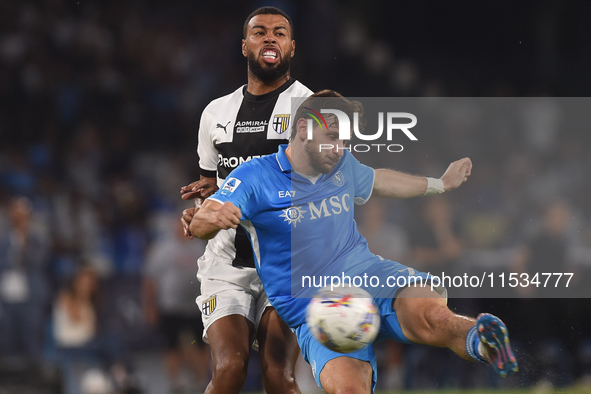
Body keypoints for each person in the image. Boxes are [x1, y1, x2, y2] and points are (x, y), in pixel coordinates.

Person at [189, 91, 519, 393]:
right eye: (332, 138)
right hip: (318, 309)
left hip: (371, 275)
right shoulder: (255, 176)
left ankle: (480, 338)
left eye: (345, 140)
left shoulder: (340, 164)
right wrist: (212, 219)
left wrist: (440, 183)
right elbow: (208, 215)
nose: (341, 148)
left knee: (435, 317)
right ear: (302, 128)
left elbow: (380, 180)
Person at [179, 6, 312, 394]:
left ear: (291, 48)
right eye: (259, 32)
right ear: (244, 46)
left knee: (277, 374)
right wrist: (200, 212)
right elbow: (211, 181)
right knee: (230, 369)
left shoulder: (310, 108)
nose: (269, 37)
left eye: (279, 33)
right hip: (227, 262)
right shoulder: (215, 113)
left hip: (287, 263)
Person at [143, 218, 210, 393]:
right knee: (171, 347)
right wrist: (150, 306)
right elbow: (150, 280)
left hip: (195, 306)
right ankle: (175, 383)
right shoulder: (162, 249)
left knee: (201, 344)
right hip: (170, 306)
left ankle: (204, 380)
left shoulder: (199, 246)